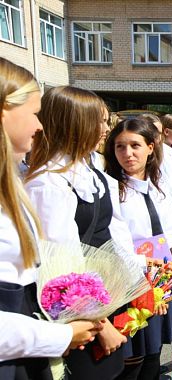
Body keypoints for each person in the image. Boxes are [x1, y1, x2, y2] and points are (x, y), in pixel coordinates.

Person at [0, 57, 102, 379]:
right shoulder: (45, 182)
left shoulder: (14, 180)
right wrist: (62, 333)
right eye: (33, 113)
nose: (39, 125)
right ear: (4, 110)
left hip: (25, 342)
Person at [26, 86, 136, 379]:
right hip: (79, 314)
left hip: (101, 300)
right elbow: (60, 270)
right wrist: (102, 325)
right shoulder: (49, 183)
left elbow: (109, 233)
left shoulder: (88, 170)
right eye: (98, 121)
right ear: (73, 124)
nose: (105, 129)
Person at [103, 118, 172, 380]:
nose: (127, 154)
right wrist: (147, 281)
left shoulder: (157, 186)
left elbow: (169, 226)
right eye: (120, 147)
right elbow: (117, 243)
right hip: (132, 284)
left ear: (151, 147)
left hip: (161, 280)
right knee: (132, 361)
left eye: (135, 145)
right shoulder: (111, 189)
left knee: (154, 353)